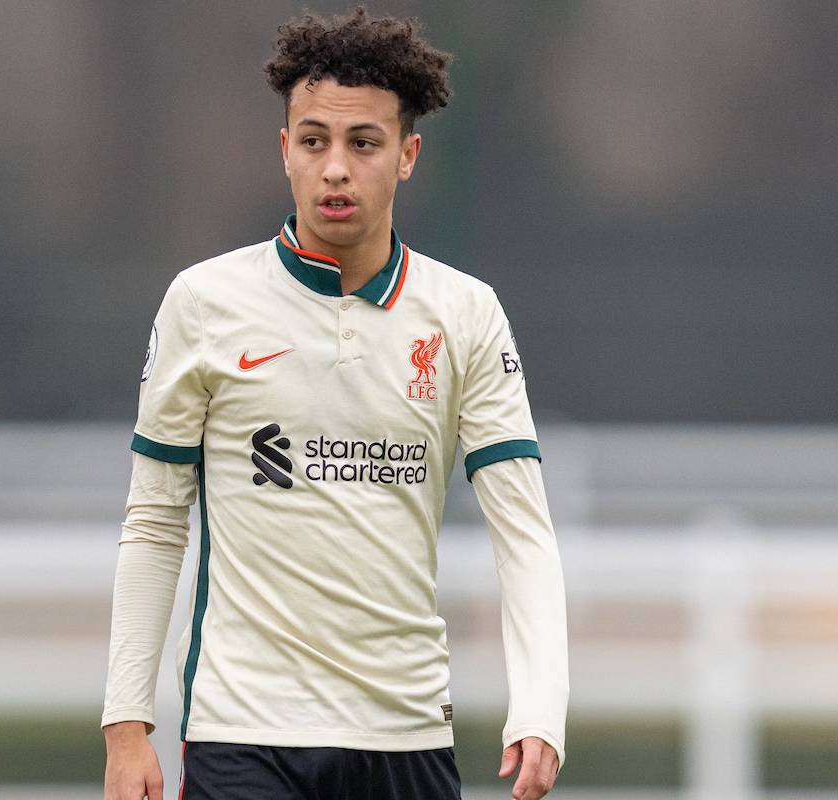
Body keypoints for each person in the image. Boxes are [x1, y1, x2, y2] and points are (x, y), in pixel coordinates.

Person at [102, 8, 568, 800]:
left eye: (364, 144)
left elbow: (522, 531)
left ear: (408, 155)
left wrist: (541, 707)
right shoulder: (205, 303)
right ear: (285, 149)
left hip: (406, 733)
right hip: (243, 735)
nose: (336, 169)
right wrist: (125, 723)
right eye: (314, 141)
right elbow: (154, 519)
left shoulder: (466, 314)